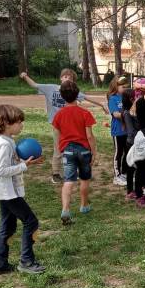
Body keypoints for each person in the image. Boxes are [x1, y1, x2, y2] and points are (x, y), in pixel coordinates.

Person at [19, 69, 107, 184]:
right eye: (65, 76)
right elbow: (35, 85)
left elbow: (87, 98)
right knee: (58, 148)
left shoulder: (71, 90)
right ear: (61, 78)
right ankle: (55, 173)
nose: (67, 78)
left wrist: (102, 105)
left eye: (70, 78)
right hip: (57, 125)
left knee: (74, 147)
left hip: (69, 124)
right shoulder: (51, 88)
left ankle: (76, 171)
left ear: (73, 82)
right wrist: (25, 76)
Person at [0, 104, 46, 275]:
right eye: (19, 122)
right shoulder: (4, 144)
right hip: (8, 192)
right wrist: (23, 166)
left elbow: (10, 163)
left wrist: (27, 163)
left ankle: (0, 265)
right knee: (31, 222)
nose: (22, 125)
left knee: (8, 227)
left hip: (7, 191)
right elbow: (1, 171)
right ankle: (26, 262)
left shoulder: (7, 141)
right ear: (6, 123)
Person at [52, 81, 98, 225]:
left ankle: (65, 210)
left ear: (62, 96)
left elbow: (57, 134)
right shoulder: (85, 113)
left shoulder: (59, 115)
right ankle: (84, 206)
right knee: (85, 179)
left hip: (67, 151)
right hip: (84, 151)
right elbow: (89, 136)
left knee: (68, 181)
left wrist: (60, 149)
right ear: (77, 94)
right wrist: (94, 152)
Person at [107, 76, 128, 186]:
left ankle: (124, 173)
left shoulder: (126, 97)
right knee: (118, 153)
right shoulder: (113, 99)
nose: (125, 89)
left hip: (128, 131)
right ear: (116, 86)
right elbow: (115, 114)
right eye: (123, 87)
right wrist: (128, 115)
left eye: (126, 87)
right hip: (118, 131)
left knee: (128, 152)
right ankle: (117, 176)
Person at [120, 88, 138, 200]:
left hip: (136, 142)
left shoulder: (133, 111)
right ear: (131, 99)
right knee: (131, 168)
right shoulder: (127, 113)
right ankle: (130, 191)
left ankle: (140, 188)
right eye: (135, 97)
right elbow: (131, 131)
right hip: (132, 144)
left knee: (139, 167)